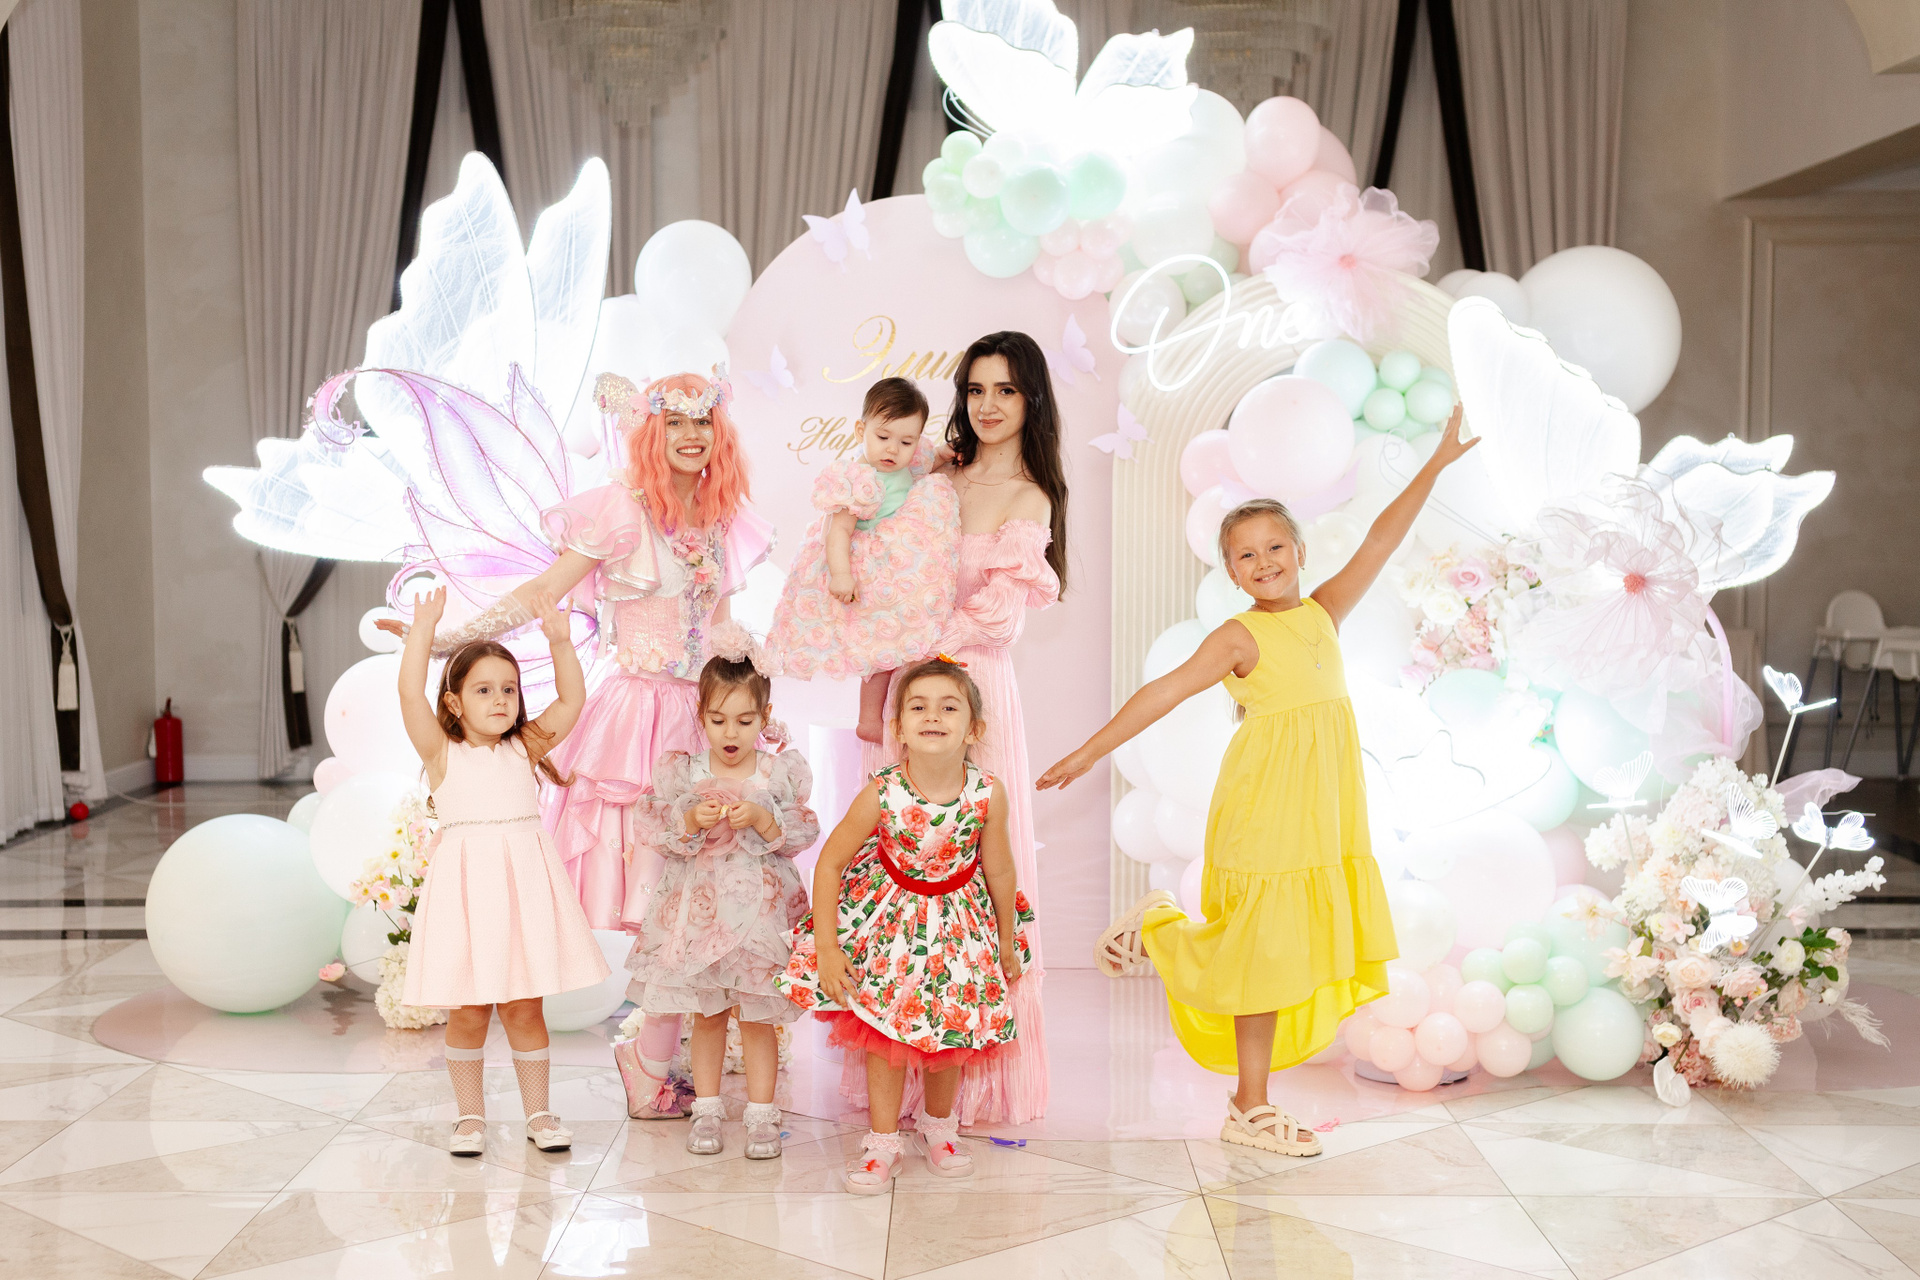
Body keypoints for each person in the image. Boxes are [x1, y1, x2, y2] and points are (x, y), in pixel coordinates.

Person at [1037, 407, 1480, 1157]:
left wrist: (1434, 465)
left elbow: (1381, 539)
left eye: (1275, 546)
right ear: (1231, 572)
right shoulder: (1240, 636)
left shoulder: (1324, 613)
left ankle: (1246, 1098)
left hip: (1320, 814)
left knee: (1272, 957)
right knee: (1256, 953)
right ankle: (1236, 1079)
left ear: (1300, 551)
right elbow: (1165, 690)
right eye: (1245, 555)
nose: (1264, 561)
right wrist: (1090, 751)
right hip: (1264, 808)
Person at [404, 366, 771, 1120]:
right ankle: (650, 1063)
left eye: (703, 422)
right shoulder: (619, 510)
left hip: (700, 717)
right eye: (675, 422)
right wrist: (449, 639)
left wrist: (748, 709)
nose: (691, 436)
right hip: (635, 723)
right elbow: (542, 593)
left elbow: (721, 627)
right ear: (652, 430)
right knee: (662, 897)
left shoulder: (721, 517)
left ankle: (651, 1060)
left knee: (696, 896)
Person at [855, 331, 1067, 1126]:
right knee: (902, 870)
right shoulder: (935, 476)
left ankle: (973, 1086)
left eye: (1006, 390)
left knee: (977, 868)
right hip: (910, 691)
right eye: (976, 389)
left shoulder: (1030, 498)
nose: (988, 405)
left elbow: (998, 616)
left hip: (974, 694)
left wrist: (915, 639)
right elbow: (882, 564)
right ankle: (898, 1074)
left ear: (1031, 399)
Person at [780, 657, 1034, 1192]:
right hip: (890, 924)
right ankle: (882, 1141)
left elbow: (999, 868)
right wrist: (828, 947)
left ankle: (939, 1130)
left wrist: (1006, 938)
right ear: (897, 728)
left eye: (949, 707)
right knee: (884, 1030)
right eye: (918, 707)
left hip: (960, 926)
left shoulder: (987, 792)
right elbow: (830, 863)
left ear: (974, 729)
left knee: (952, 1026)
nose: (933, 716)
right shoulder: (883, 790)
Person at [396, 585, 609, 1157]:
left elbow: (571, 701)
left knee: (524, 1005)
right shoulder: (442, 753)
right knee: (467, 1010)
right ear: (454, 703)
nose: (500, 700)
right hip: (467, 895)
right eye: (484, 690)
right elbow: (410, 695)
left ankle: (539, 1112)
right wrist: (423, 632)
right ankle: (469, 1117)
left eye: (509, 689)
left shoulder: (524, 748)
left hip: (522, 892)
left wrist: (560, 642)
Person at [624, 623, 819, 1160]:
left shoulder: (778, 772)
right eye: (718, 720)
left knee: (757, 1019)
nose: (731, 733)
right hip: (699, 916)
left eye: (745, 720)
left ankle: (762, 1115)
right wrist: (691, 819)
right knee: (706, 1015)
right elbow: (659, 830)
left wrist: (762, 817)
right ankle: (706, 1109)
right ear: (701, 715)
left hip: (759, 919)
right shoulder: (684, 773)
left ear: (765, 714)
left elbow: (800, 832)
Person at [764, 377, 960, 744]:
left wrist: (943, 455)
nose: (893, 449)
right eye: (883, 437)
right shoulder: (858, 478)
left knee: (905, 646)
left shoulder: (905, 465)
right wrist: (841, 575)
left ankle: (905, 710)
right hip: (869, 574)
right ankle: (868, 719)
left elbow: (923, 467)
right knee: (880, 653)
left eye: (906, 442)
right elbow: (837, 532)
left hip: (898, 572)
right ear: (861, 430)